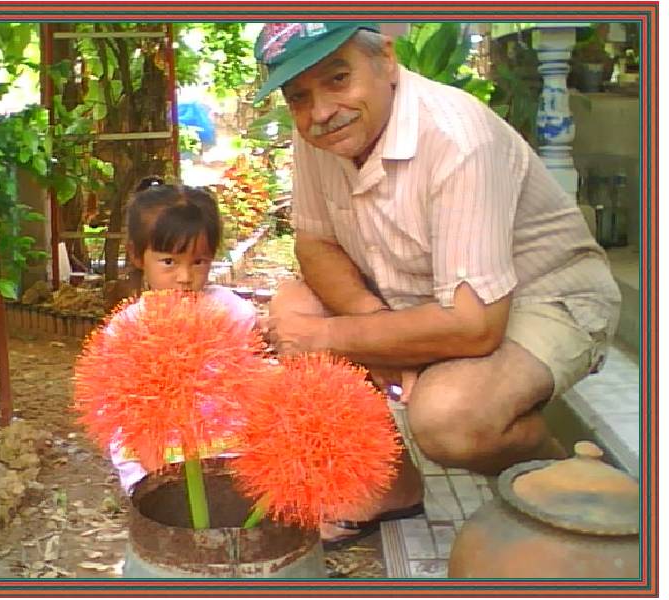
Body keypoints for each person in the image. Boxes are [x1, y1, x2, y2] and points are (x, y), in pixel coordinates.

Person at [253, 22, 621, 548]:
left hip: (543, 294)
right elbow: (314, 243)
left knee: (450, 417)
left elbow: (473, 328)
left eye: (338, 79)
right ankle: (391, 485)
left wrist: (329, 337)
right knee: (293, 303)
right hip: (422, 294)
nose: (320, 111)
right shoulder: (322, 128)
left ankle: (571, 486)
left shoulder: (454, 137)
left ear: (385, 57)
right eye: (300, 97)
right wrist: (377, 327)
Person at [108, 176, 257, 493]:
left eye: (199, 261)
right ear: (137, 256)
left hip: (229, 460)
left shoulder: (234, 313)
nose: (185, 277)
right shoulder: (127, 327)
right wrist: (149, 473)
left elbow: (253, 386)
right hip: (156, 464)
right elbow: (120, 413)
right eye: (168, 262)